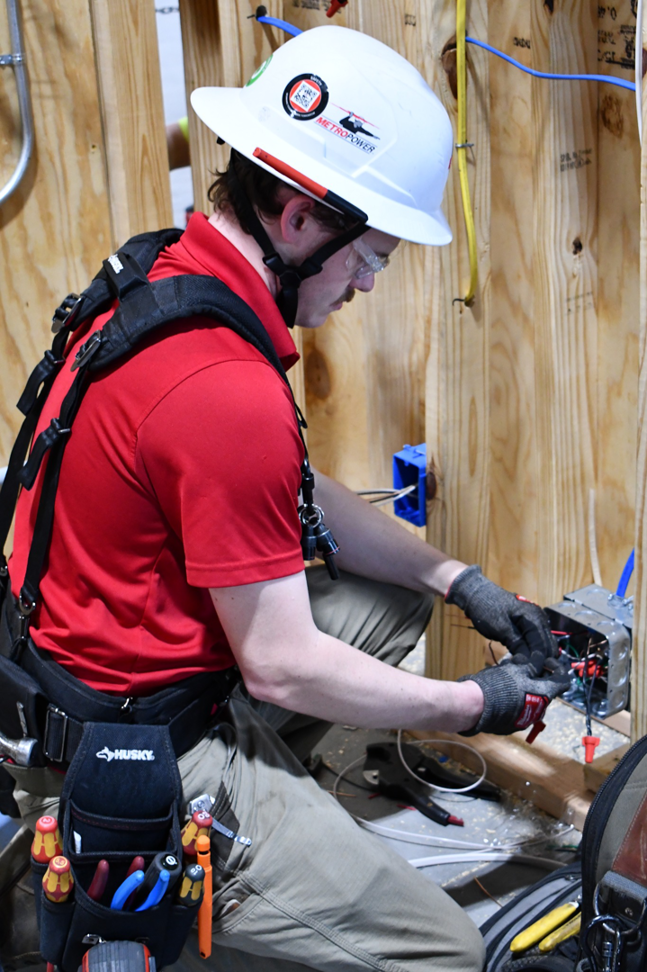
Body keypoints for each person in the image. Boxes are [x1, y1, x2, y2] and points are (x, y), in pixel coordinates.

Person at [4, 25, 568, 972]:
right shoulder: (224, 388)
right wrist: (474, 703)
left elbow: (289, 488)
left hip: (71, 668)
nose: (365, 285)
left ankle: (278, 823)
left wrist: (456, 579)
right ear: (304, 217)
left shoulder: (165, 275)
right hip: (139, 751)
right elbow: (277, 664)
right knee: (445, 952)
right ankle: (192, 867)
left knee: (391, 608)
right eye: (370, 255)